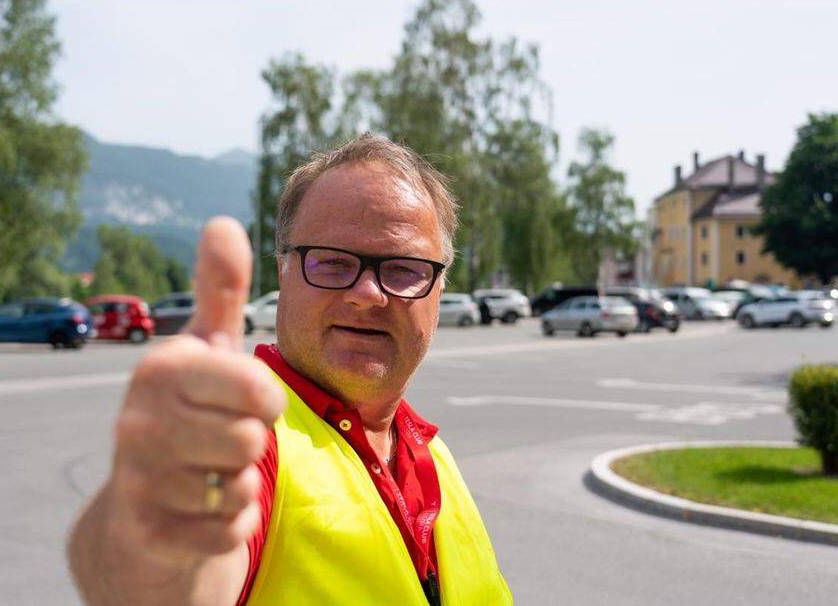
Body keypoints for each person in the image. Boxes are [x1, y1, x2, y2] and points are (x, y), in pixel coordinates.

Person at [67, 134, 511, 605]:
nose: (367, 293)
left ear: (440, 287)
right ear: (282, 270)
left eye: (403, 269)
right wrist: (153, 534)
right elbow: (158, 581)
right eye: (333, 263)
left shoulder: (434, 453)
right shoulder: (248, 441)